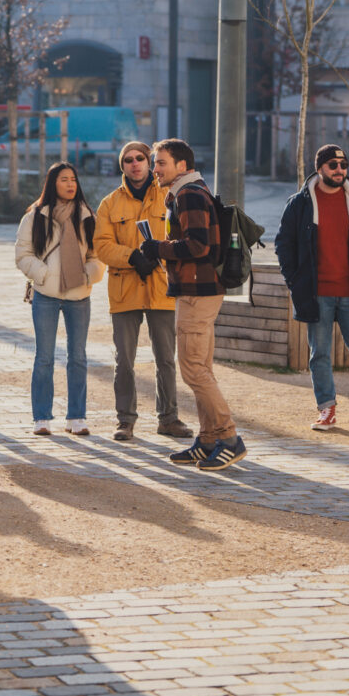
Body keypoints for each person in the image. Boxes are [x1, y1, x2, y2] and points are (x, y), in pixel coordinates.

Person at [139, 139, 245, 470]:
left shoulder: (189, 194)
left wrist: (159, 248)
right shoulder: (188, 192)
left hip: (198, 292)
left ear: (181, 166)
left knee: (194, 370)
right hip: (196, 290)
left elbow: (199, 246)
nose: (155, 169)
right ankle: (209, 439)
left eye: (161, 163)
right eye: (156, 163)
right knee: (200, 368)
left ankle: (229, 438)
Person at [275, 144, 349, 434]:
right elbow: (283, 245)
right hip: (317, 293)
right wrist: (295, 281)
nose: (340, 170)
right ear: (320, 168)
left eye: (344, 165)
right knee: (319, 354)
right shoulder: (300, 203)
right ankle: (327, 409)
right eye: (333, 165)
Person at [93, 141, 192, 441]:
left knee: (166, 359)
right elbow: (101, 245)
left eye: (140, 158)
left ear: (150, 163)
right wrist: (133, 257)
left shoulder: (169, 195)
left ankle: (169, 419)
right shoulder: (109, 203)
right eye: (128, 160)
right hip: (125, 290)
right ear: (121, 166)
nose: (135, 163)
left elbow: (184, 237)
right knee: (124, 360)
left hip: (162, 286)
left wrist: (160, 256)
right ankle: (125, 420)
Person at [15, 162, 105, 436]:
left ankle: (76, 417)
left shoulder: (88, 215)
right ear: (52, 183)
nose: (70, 184)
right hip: (46, 295)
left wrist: (87, 275)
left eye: (73, 179)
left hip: (79, 294)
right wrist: (43, 274)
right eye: (64, 179)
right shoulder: (35, 216)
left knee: (78, 357)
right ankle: (41, 417)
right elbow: (23, 254)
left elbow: (97, 255)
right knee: (44, 357)